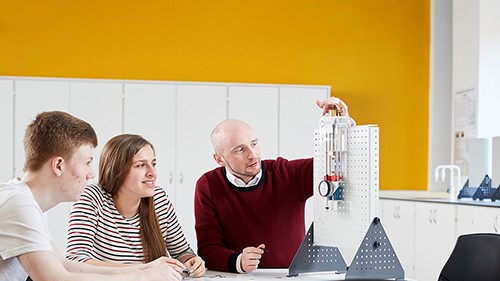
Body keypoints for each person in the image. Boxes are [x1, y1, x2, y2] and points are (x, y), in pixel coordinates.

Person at [0, 111, 183, 281]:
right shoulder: (18, 204)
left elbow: (64, 265)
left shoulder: (29, 203)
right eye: (87, 162)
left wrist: (144, 269)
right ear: (58, 166)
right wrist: (144, 277)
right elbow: (55, 278)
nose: (91, 174)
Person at [194, 97, 349, 273]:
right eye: (240, 150)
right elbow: (208, 248)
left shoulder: (285, 174)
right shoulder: (208, 185)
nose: (252, 154)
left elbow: (332, 164)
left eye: (254, 144)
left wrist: (341, 125)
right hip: (242, 278)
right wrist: (237, 261)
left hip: (290, 276)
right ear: (219, 159)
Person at [66, 134, 206, 277]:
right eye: (140, 165)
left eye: (154, 164)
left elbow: (181, 251)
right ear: (117, 170)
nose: (153, 173)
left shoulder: (159, 200)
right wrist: (145, 270)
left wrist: (191, 261)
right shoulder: (92, 198)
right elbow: (76, 262)